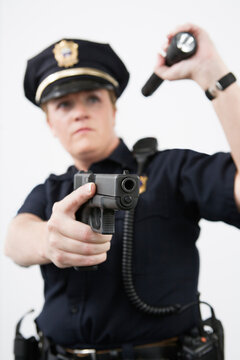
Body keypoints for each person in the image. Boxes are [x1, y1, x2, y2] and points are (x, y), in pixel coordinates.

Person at [4, 23, 240, 360]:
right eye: (63, 105)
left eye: (92, 98)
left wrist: (214, 75)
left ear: (114, 109)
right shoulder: (50, 191)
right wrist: (48, 240)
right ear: (49, 123)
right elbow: (14, 240)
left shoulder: (170, 172)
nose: (80, 112)